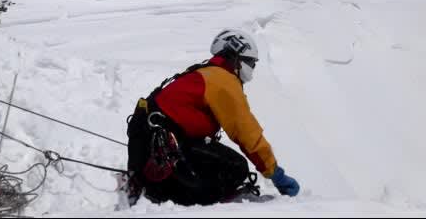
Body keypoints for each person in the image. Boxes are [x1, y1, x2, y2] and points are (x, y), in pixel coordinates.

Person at [125, 29, 300, 206]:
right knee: (234, 168)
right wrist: (276, 173)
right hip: (160, 145)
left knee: (214, 162)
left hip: (149, 145)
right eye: (250, 62)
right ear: (237, 57)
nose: (252, 68)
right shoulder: (222, 79)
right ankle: (170, 197)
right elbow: (246, 131)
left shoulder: (205, 73)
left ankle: (148, 186)